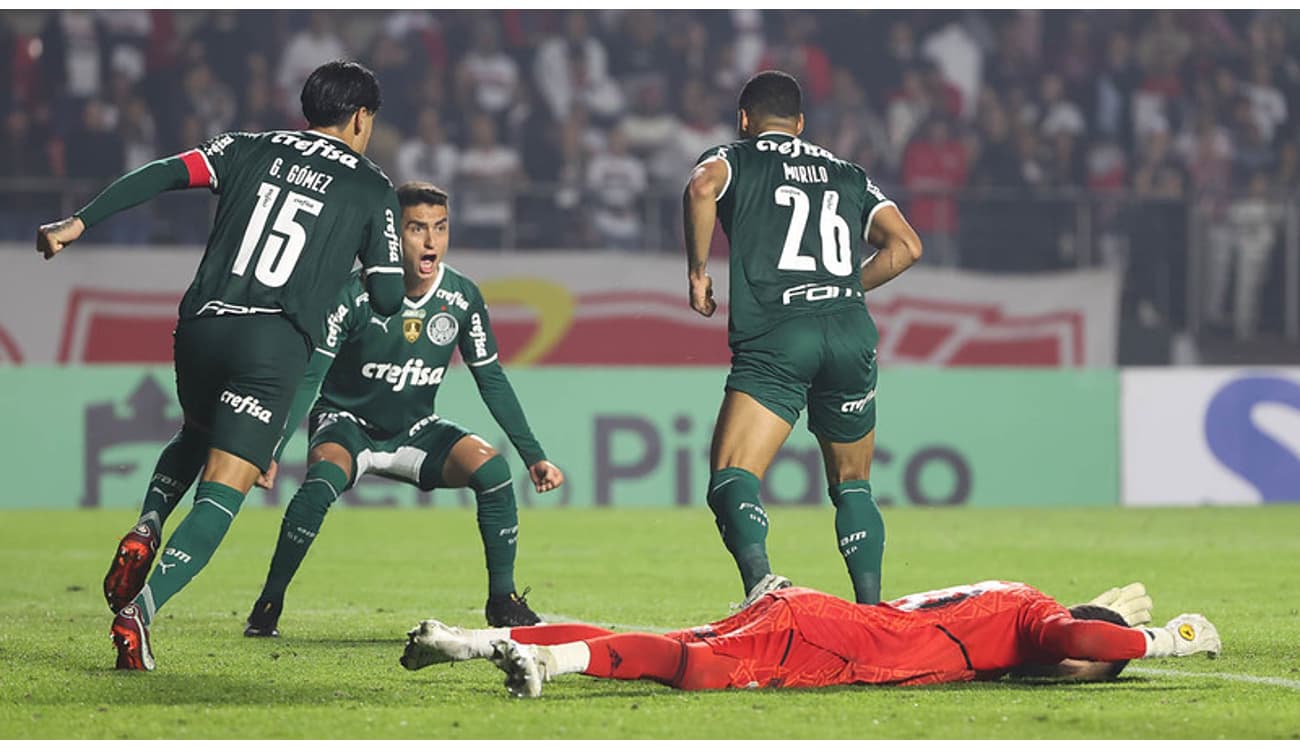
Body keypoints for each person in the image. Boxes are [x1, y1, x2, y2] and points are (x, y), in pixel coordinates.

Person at [36, 60, 407, 671]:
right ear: (362, 116)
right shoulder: (371, 187)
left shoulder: (246, 146)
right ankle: (140, 614)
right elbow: (390, 298)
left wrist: (79, 221)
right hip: (272, 344)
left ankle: (148, 524)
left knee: (198, 432)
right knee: (224, 488)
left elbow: (161, 173)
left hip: (201, 327)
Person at [243, 182, 564, 638]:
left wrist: (533, 455)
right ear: (394, 235)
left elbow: (490, 378)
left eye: (440, 228)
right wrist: (271, 446)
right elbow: (311, 377)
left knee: (493, 474)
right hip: (346, 423)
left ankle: (503, 601)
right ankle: (268, 603)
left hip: (415, 431)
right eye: (417, 229)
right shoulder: (354, 293)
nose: (431, 241)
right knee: (321, 483)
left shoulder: (462, 297)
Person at [682, 70, 923, 608]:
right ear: (801, 124)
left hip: (779, 332)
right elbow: (906, 246)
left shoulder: (735, 157)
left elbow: (701, 188)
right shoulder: (848, 172)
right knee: (853, 483)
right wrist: (841, 288)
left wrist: (698, 272)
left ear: (745, 120)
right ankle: (871, 610)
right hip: (848, 331)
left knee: (732, 474)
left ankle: (762, 585)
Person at [400, 580, 1221, 698]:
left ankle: (467, 640)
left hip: (813, 612)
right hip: (836, 642)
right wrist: (1165, 641)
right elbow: (1086, 640)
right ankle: (546, 658)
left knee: (649, 636)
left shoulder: (1007, 601)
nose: (1081, 673)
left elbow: (1080, 641)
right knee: (693, 670)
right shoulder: (1040, 621)